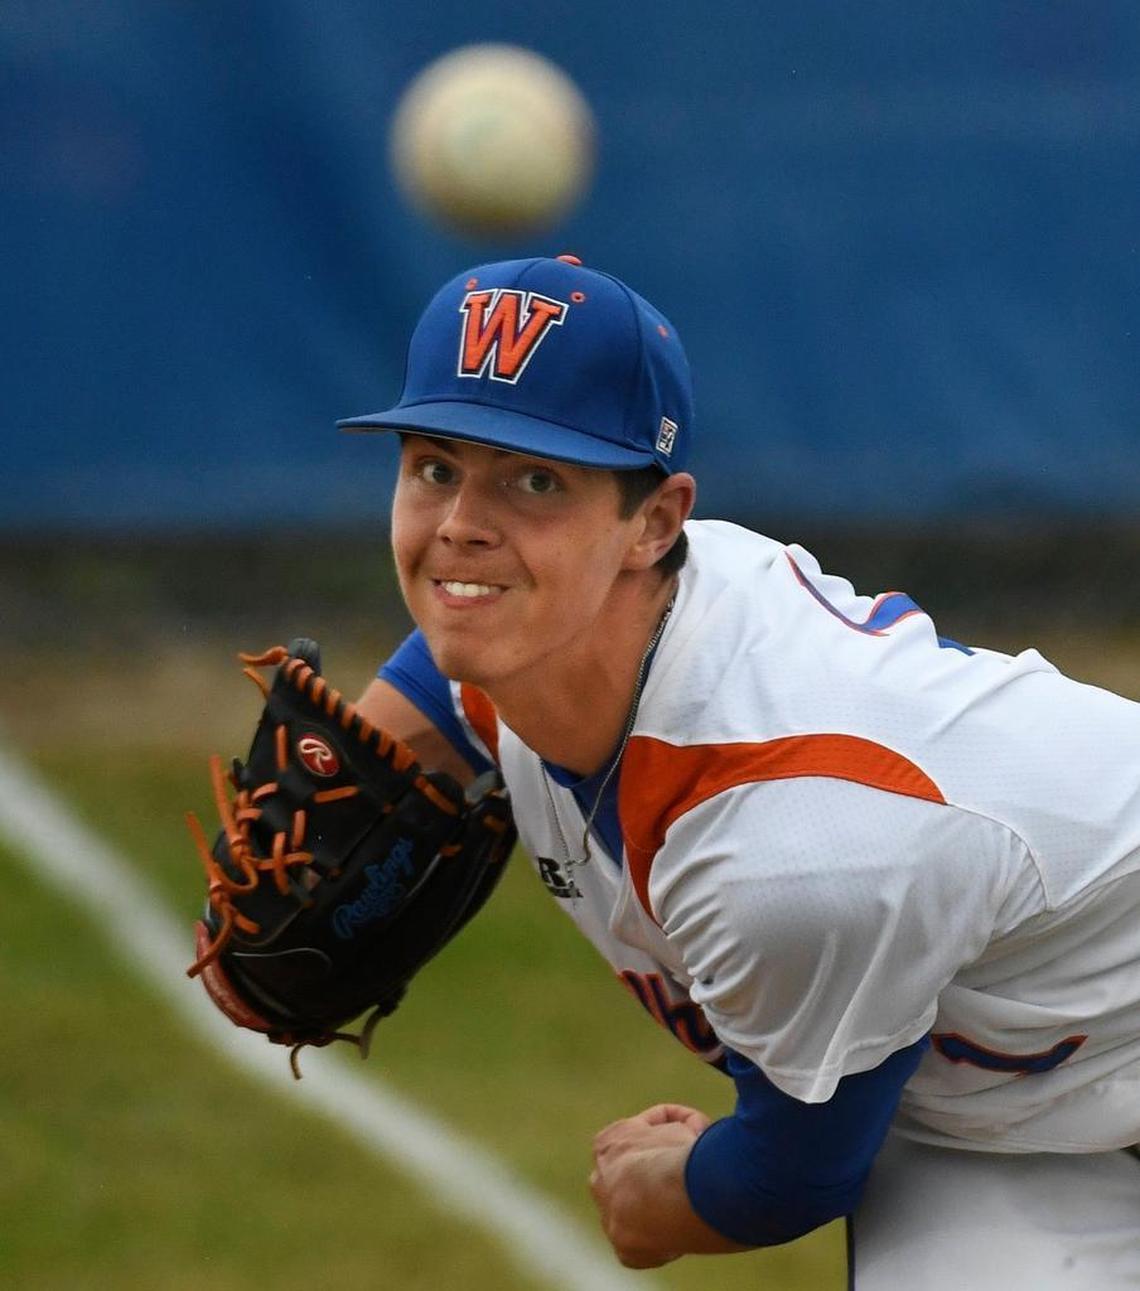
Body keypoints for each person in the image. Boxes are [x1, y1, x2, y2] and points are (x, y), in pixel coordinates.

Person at [337, 253, 1140, 1286]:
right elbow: (450, 646)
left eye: (536, 480)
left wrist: (658, 1193)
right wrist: (352, 775)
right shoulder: (581, 624)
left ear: (655, 523)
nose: (462, 525)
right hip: (1022, 1113)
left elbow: (791, 1173)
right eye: (436, 466)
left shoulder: (790, 838)